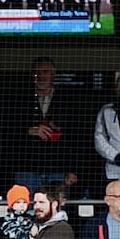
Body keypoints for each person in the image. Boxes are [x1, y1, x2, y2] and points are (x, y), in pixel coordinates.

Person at [7, 56, 81, 188]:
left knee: (56, 207)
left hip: (58, 167)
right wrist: (29, 130)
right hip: (26, 167)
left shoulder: (68, 100)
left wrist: (73, 169)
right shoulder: (19, 99)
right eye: (37, 73)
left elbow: (76, 137)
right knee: (26, 207)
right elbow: (6, 128)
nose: (41, 76)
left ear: (53, 75)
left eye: (45, 72)